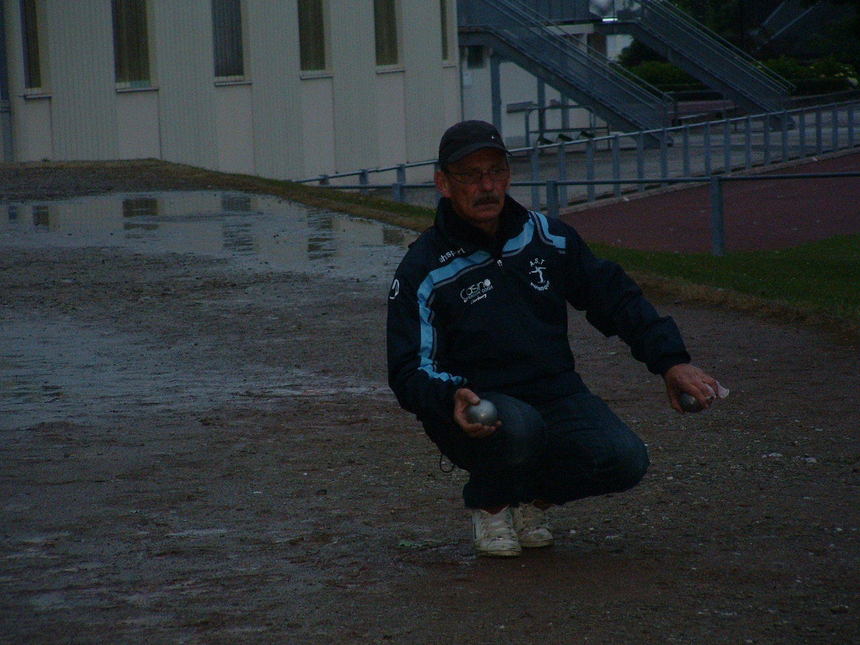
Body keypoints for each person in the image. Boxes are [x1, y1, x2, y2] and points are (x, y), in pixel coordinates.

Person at [386, 120, 722, 557]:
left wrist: (670, 361)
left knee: (625, 459)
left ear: (508, 175)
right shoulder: (423, 267)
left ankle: (529, 504)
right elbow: (408, 368)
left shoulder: (547, 237)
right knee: (517, 427)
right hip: (474, 402)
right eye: (470, 175)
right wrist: (450, 397)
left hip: (554, 392)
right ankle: (490, 506)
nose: (486, 186)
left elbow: (613, 297)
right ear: (443, 183)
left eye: (496, 171)